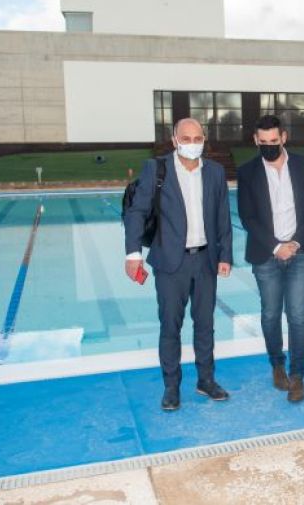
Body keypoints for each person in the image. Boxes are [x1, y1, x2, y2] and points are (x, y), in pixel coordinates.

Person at [124, 118, 233, 412]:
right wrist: (132, 254)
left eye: (198, 138)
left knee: (206, 325)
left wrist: (225, 255)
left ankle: (206, 380)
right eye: (186, 138)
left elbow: (223, 215)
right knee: (171, 327)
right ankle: (171, 387)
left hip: (206, 260)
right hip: (171, 263)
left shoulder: (214, 172)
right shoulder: (156, 169)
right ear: (174, 140)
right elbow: (137, 212)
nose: (192, 143)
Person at [237, 115, 304, 402]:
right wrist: (276, 247)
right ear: (256, 141)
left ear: (283, 138)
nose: (269, 146)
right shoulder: (247, 171)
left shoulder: (303, 165)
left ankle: (297, 375)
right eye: (264, 142)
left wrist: (295, 243)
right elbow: (248, 217)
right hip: (265, 254)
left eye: (274, 141)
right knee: (271, 313)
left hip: (301, 251)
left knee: (298, 315)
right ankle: (277, 365)